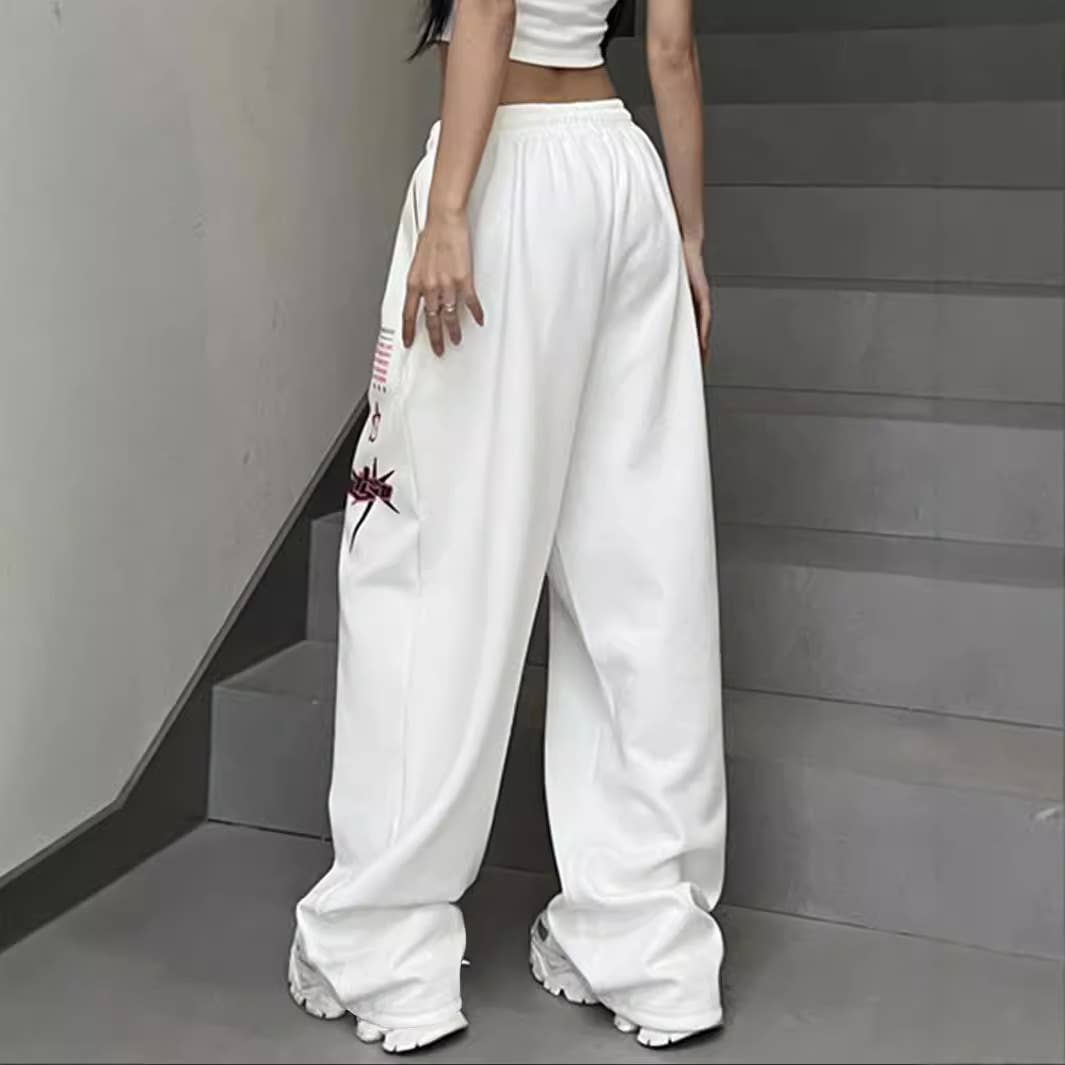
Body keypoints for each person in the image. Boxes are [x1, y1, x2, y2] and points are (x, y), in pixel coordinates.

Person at [289, 0, 725, 1053]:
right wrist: (689, 234)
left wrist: (449, 208)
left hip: (509, 178)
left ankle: (388, 950)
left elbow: (487, 5)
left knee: (433, 566)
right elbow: (670, 47)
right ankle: (652, 947)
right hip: (623, 181)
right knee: (638, 574)